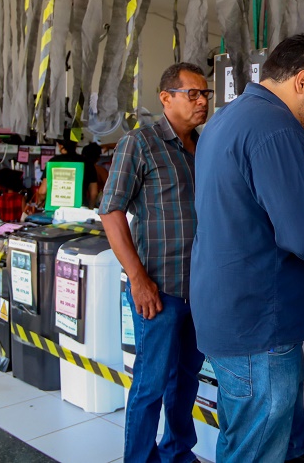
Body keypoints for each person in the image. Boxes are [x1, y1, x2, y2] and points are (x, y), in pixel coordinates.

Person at [191, 34, 304, 463]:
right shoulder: (275, 127)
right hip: (257, 320)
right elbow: (302, 233)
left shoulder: (226, 118)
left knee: (260, 433)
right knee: (253, 450)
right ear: (302, 81)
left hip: (228, 308)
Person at [99, 62, 212, 463]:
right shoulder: (140, 143)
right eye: (193, 94)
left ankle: (179, 452)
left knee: (185, 381)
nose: (203, 102)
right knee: (149, 385)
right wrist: (137, 278)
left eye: (206, 94)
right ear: (166, 98)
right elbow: (111, 212)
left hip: (201, 289)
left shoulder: (207, 146)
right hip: (159, 289)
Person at [37, 131, 98, 208]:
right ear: (76, 144)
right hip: (80, 209)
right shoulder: (87, 163)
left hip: (56, 210)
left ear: (59, 145)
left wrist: (39, 202)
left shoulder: (52, 162)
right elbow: (94, 193)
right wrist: (90, 209)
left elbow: (43, 192)